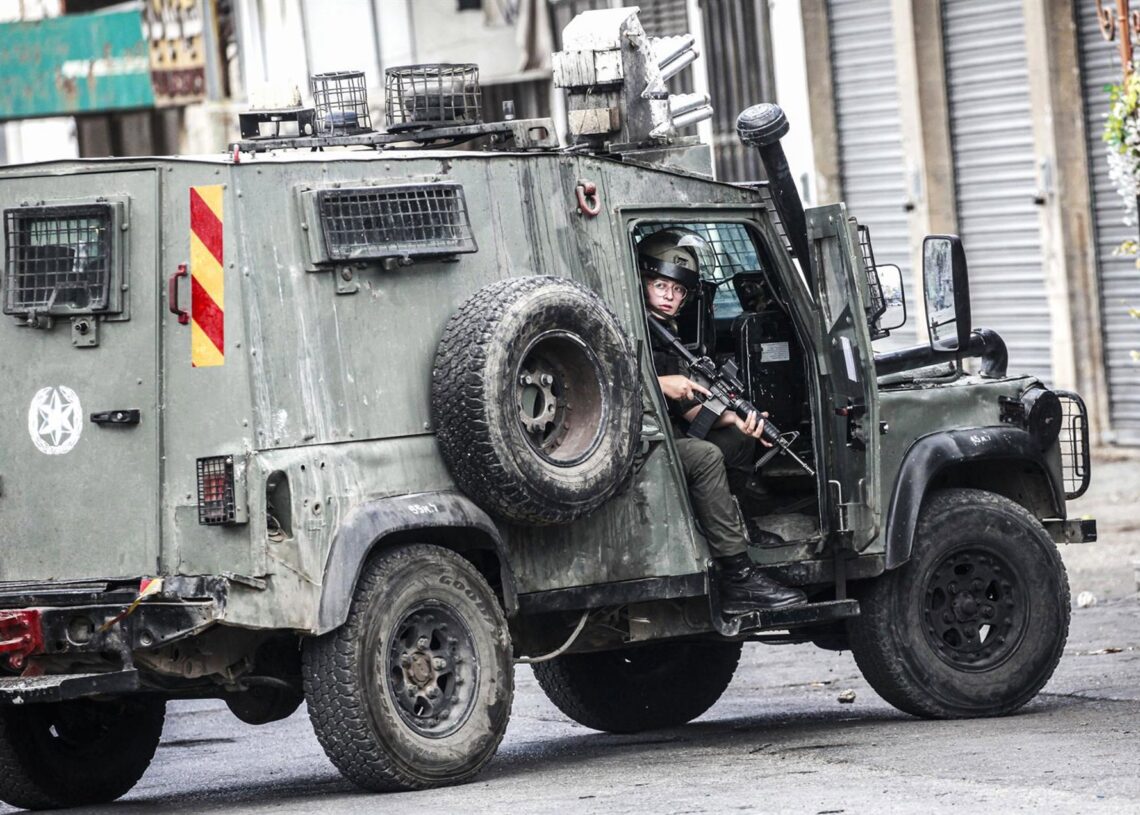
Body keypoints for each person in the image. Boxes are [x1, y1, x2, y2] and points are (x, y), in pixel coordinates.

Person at [639, 229, 806, 613]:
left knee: (737, 441)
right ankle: (737, 577)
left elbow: (690, 411)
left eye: (678, 290)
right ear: (642, 281)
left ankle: (735, 526)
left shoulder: (666, 332)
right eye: (659, 285)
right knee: (704, 456)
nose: (669, 296)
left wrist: (735, 416)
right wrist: (661, 384)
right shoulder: (628, 324)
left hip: (666, 431)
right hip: (634, 441)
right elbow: (609, 380)